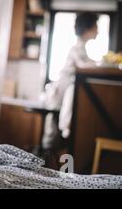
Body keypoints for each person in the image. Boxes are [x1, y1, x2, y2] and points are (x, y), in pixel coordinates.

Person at [42, 12, 99, 150]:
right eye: (96, 26)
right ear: (88, 28)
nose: (98, 30)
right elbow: (84, 66)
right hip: (59, 95)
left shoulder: (81, 49)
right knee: (52, 138)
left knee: (56, 137)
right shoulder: (76, 48)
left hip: (63, 95)